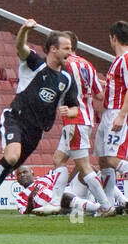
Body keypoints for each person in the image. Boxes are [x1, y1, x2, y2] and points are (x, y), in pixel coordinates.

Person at [0, 20, 89, 225]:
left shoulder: (67, 79)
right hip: (15, 118)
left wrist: (69, 111)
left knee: (9, 165)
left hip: (35, 133)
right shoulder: (35, 63)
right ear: (53, 49)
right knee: (11, 156)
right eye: (67, 48)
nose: (70, 52)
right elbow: (20, 47)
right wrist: (24, 29)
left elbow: (75, 107)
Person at [48, 33, 114, 211]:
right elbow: (100, 95)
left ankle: (106, 206)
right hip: (85, 118)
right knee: (58, 159)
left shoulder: (65, 64)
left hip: (74, 119)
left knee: (84, 166)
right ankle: (55, 202)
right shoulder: (88, 64)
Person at [96, 21, 128, 210]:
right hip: (108, 112)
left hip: (117, 112)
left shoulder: (125, 59)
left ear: (113, 37)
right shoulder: (118, 60)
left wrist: (121, 116)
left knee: (112, 159)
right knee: (102, 158)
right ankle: (108, 204)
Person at [15, 166, 99, 216]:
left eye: (25, 172)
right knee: (65, 197)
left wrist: (78, 166)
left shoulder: (46, 178)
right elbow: (26, 213)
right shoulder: (21, 196)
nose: (22, 175)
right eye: (19, 174)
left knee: (87, 169)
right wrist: (30, 199)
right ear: (17, 180)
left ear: (32, 173)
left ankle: (106, 202)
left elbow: (66, 179)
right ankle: (99, 208)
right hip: (59, 204)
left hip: (70, 193)